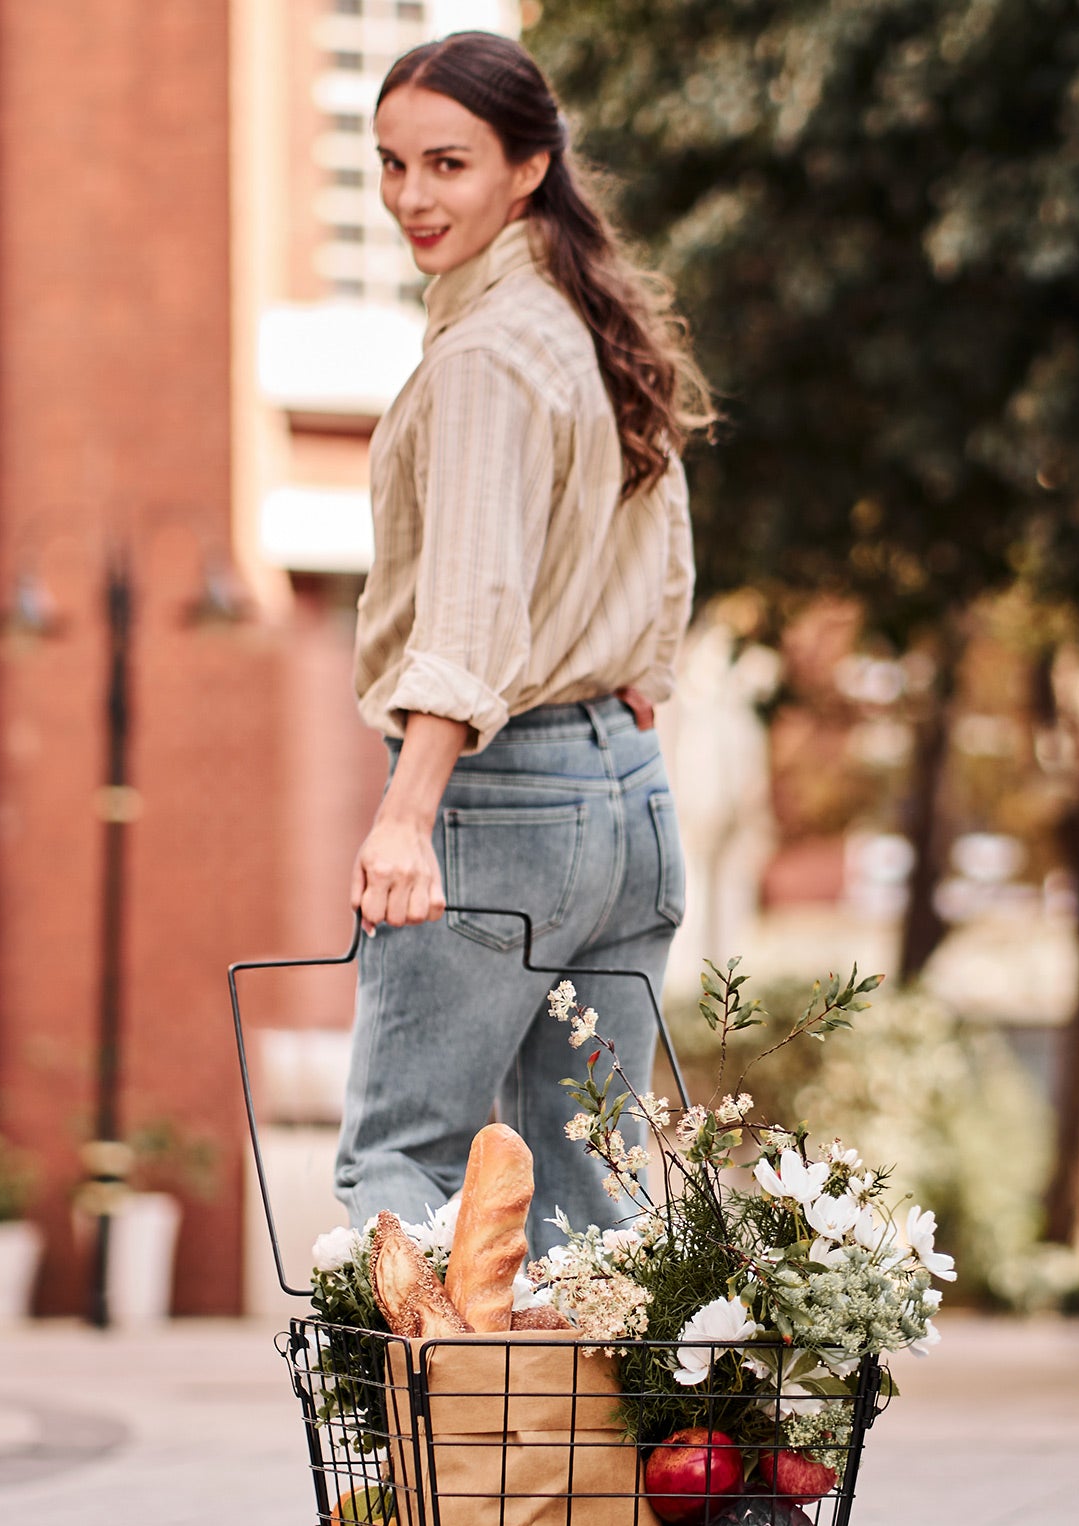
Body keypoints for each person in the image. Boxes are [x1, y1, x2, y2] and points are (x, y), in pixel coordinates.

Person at [333, 31, 712, 1260]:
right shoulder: (580, 324)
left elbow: (476, 596)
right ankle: (587, 1456)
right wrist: (637, 686)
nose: (410, 198)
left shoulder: (492, 353)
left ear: (528, 166)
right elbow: (663, 549)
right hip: (624, 800)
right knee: (586, 1186)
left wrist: (407, 809)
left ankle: (422, 1459)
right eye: (391, 165)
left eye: (448, 164)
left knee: (409, 1162)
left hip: (503, 799)